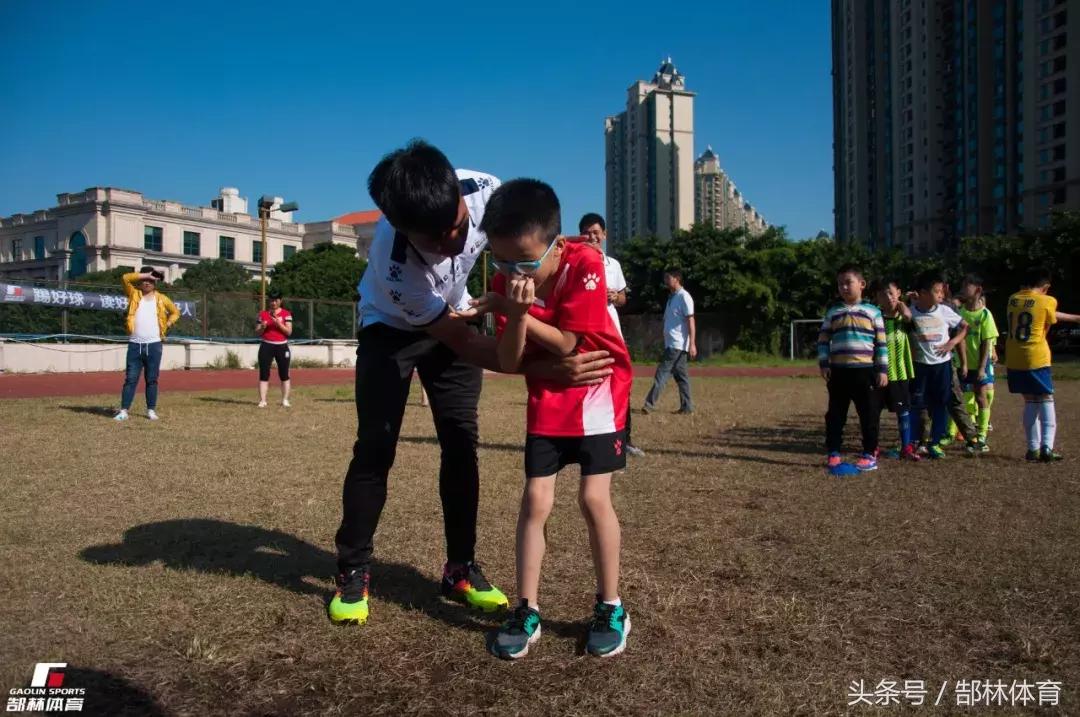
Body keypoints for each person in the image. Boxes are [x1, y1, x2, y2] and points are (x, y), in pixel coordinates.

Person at [328, 140, 615, 626]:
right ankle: (353, 569)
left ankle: (460, 568)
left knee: (461, 443)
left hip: (454, 308)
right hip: (392, 328)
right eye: (438, 241)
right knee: (376, 447)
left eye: (461, 227)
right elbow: (465, 345)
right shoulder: (397, 266)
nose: (457, 243)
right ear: (403, 230)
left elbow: (536, 253)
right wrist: (548, 369)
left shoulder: (486, 191)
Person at [481, 179, 632, 659]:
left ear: (559, 245)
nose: (512, 273)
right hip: (548, 395)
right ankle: (526, 608)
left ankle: (611, 605)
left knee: (593, 498)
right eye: (501, 263)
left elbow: (570, 343)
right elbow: (509, 359)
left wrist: (512, 309)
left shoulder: (587, 265)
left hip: (599, 392)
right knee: (536, 500)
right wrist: (515, 312)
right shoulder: (506, 284)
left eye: (525, 263)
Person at [579, 212, 644, 458]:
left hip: (611, 333)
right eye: (587, 232)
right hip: (586, 335)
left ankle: (624, 439)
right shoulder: (573, 261)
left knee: (620, 385)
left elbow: (623, 297)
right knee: (590, 385)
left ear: (604, 235)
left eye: (596, 232)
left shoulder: (613, 265)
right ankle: (586, 440)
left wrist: (614, 297)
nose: (592, 236)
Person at [1005, 267, 1080, 461]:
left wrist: (1076, 318)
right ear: (1046, 286)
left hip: (1014, 357)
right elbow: (1049, 315)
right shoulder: (1048, 300)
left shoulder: (1013, 299)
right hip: (1035, 355)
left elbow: (1040, 311)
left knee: (1030, 400)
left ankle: (1033, 449)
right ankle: (1047, 446)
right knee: (1046, 399)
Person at [817, 264, 888, 471]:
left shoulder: (873, 312)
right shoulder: (833, 312)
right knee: (835, 414)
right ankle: (833, 452)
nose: (844, 287)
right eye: (840, 284)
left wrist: (882, 370)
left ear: (862, 284)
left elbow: (882, 344)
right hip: (838, 371)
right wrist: (824, 363)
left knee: (869, 414)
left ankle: (869, 454)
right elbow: (823, 339)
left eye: (848, 282)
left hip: (865, 371)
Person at [909, 272, 970, 459]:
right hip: (919, 366)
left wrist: (952, 342)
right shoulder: (910, 312)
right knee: (919, 405)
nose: (941, 295)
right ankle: (919, 442)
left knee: (940, 404)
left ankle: (935, 443)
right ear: (923, 293)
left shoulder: (944, 310)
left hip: (942, 365)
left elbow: (964, 326)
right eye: (937, 291)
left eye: (942, 291)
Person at [115, 267, 180, 422]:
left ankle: (151, 410)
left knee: (152, 379)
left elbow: (175, 312)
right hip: (135, 344)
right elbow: (125, 278)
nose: (147, 282)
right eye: (145, 279)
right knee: (130, 379)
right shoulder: (134, 294)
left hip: (154, 345)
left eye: (151, 280)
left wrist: (168, 323)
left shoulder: (162, 299)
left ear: (155, 283)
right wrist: (146, 274)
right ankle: (124, 411)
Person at [873, 279, 919, 461]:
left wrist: (902, 305)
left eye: (891, 293)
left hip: (900, 371)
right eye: (884, 294)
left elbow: (910, 319)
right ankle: (872, 446)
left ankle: (906, 447)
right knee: (873, 411)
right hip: (878, 372)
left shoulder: (904, 318)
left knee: (903, 410)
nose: (888, 297)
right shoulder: (876, 318)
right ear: (878, 298)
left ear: (899, 293)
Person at [642, 268, 695, 414]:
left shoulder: (685, 297)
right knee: (681, 377)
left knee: (661, 374)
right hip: (673, 343)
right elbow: (667, 322)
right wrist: (654, 338)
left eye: (668, 278)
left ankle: (649, 404)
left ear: (677, 279)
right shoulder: (672, 298)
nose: (666, 281)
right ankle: (687, 407)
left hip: (676, 345)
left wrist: (692, 344)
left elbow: (691, 320)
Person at [955, 275, 998, 450]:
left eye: (967, 286)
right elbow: (961, 339)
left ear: (978, 290)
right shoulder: (960, 313)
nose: (964, 289)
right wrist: (964, 364)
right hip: (964, 364)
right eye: (963, 285)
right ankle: (958, 433)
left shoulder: (985, 314)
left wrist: (981, 368)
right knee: (960, 398)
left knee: (981, 397)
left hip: (980, 364)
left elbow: (986, 342)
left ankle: (982, 436)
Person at [256, 288, 293, 408]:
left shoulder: (286, 314)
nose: (273, 303)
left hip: (282, 346)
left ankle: (285, 400)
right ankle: (263, 400)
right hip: (266, 345)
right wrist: (262, 327)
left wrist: (279, 324)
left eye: (276, 300)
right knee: (264, 374)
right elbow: (257, 332)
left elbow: (288, 332)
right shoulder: (263, 314)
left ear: (280, 301)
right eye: (271, 300)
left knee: (284, 374)